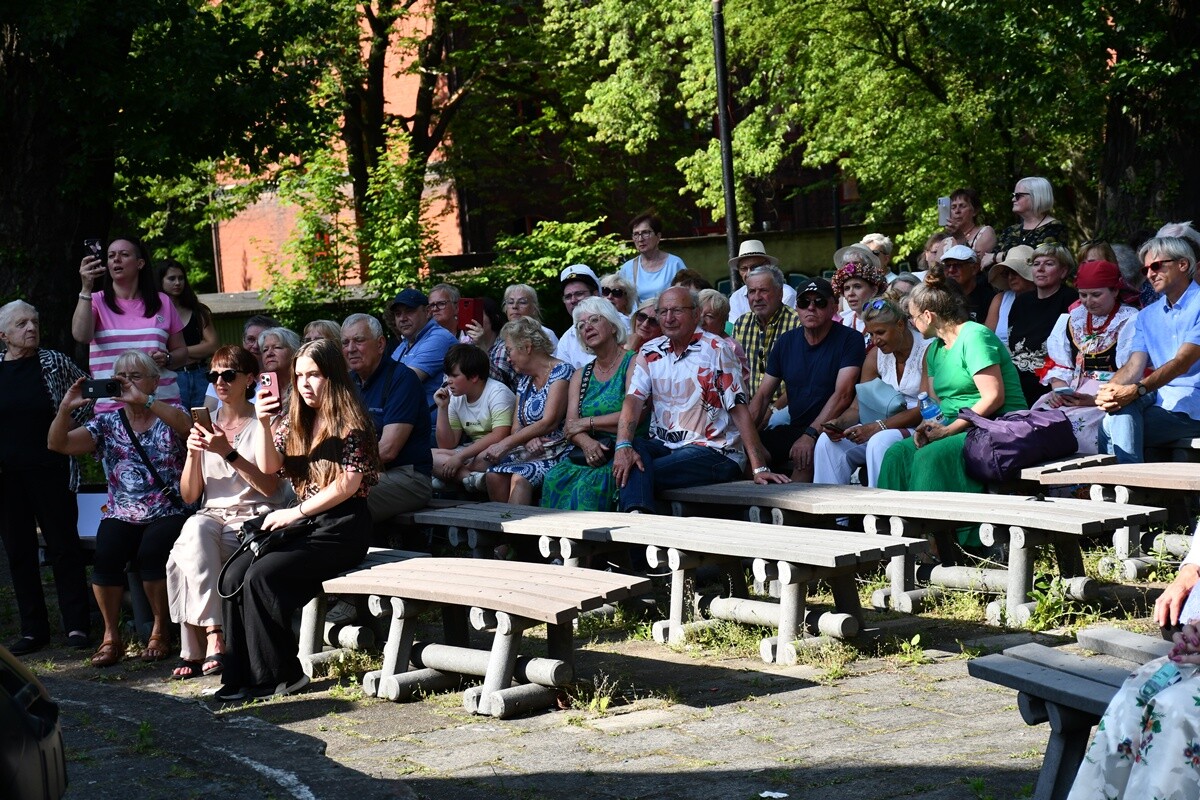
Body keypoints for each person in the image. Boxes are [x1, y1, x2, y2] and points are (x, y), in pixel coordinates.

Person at [212, 339, 380, 701]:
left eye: (314, 375)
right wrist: (263, 420)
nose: (305, 384)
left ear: (332, 376)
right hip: (306, 521)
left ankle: (283, 675)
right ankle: (241, 674)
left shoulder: (354, 423)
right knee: (234, 572)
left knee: (262, 576)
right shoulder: (294, 420)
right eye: (300, 375)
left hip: (343, 527)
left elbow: (348, 485)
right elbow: (269, 466)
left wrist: (295, 512)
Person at [48, 349, 193, 667]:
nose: (126, 382)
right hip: (122, 510)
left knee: (152, 553)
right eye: (121, 376)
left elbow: (188, 428)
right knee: (108, 553)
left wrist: (147, 401)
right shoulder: (107, 423)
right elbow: (58, 444)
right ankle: (111, 635)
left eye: (135, 375)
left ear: (154, 382)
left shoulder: (170, 413)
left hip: (167, 508)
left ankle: (160, 629)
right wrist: (65, 408)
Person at [877, 269, 1026, 549]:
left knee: (930, 457)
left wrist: (948, 430)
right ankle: (892, 541)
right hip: (955, 424)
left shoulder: (975, 335)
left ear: (928, 316)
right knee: (897, 453)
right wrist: (928, 426)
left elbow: (993, 397)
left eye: (911, 317)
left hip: (994, 424)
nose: (910, 322)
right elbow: (935, 403)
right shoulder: (935, 349)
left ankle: (940, 544)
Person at [166, 346, 288, 679]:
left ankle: (196, 645)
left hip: (253, 516)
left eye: (228, 374)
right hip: (211, 517)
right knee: (194, 529)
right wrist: (193, 454)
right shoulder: (206, 423)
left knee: (183, 552)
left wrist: (227, 451)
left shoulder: (267, 421)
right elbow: (190, 494)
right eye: (214, 375)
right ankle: (216, 634)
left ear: (250, 379)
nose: (220, 381)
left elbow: (270, 488)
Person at [613, 287, 788, 513]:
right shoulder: (650, 351)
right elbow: (633, 401)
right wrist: (623, 445)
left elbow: (739, 409)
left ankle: (637, 525)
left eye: (677, 310)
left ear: (696, 314)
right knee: (632, 449)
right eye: (663, 311)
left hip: (715, 452)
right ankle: (640, 520)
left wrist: (758, 466)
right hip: (667, 447)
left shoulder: (717, 349)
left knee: (638, 469)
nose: (668, 318)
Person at [0, 301, 91, 655]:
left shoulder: (53, 361)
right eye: (22, 323)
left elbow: (89, 399)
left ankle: (78, 627)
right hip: (8, 478)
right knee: (19, 553)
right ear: (3, 334)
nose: (31, 328)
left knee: (64, 549)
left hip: (51, 470)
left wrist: (70, 436)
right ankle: (33, 630)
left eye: (34, 321)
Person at [749, 278, 866, 481]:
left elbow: (843, 395)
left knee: (804, 455)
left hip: (830, 429)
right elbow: (763, 395)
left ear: (834, 307)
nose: (811, 308)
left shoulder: (850, 339)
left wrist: (810, 434)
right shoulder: (786, 342)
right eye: (804, 303)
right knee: (744, 454)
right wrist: (744, 437)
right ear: (797, 308)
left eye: (819, 302)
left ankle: (789, 511)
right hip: (795, 428)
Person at [1096, 236, 1200, 463]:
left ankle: (1126, 485)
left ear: (1183, 265)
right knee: (1114, 412)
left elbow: (1183, 362)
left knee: (1110, 426)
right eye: (1145, 269)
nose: (1150, 274)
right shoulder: (1146, 316)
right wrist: (1110, 390)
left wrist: (1137, 390)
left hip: (1194, 406)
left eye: (1156, 266)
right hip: (1161, 400)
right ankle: (1129, 485)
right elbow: (1134, 365)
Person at [813, 295, 931, 488]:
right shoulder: (876, 356)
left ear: (900, 325)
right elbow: (858, 406)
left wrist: (877, 427)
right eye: (871, 334)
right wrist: (839, 423)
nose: (875, 340)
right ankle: (832, 516)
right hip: (880, 425)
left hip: (917, 426)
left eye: (880, 333)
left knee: (879, 440)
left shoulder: (926, 350)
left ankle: (878, 511)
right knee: (827, 443)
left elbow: (923, 409)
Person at [1032, 260, 1137, 454]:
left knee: (1074, 427)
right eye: (1083, 295)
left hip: (1110, 392)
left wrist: (1095, 399)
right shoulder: (1072, 319)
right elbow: (1058, 364)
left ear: (1115, 291)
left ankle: (1083, 482)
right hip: (1074, 388)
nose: (1089, 301)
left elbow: (1133, 370)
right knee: (1039, 421)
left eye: (1096, 294)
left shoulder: (1130, 320)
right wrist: (1060, 391)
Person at [541, 299, 635, 511]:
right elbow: (570, 426)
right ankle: (550, 542)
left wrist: (587, 423)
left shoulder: (633, 362)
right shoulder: (580, 375)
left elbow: (632, 414)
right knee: (554, 478)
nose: (587, 327)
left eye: (594, 320)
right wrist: (586, 443)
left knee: (589, 486)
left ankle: (591, 543)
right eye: (581, 325)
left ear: (612, 326)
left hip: (622, 446)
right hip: (590, 451)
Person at [73, 236, 186, 413]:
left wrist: (167, 358)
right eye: (111, 256)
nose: (116, 259)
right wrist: (86, 288)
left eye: (124, 254)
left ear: (140, 263)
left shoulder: (162, 301)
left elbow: (182, 353)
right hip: (112, 409)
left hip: (161, 405)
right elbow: (81, 336)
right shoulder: (95, 300)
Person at [342, 313, 432, 533]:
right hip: (364, 473)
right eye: (345, 342)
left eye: (359, 340)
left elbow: (389, 450)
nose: (351, 348)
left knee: (340, 498)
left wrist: (342, 472)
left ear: (381, 344)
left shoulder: (402, 379)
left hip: (407, 476)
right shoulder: (349, 382)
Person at [480, 317, 574, 505]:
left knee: (519, 478)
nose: (507, 358)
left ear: (527, 346)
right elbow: (516, 427)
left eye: (509, 350)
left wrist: (505, 444)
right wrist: (528, 438)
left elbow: (549, 421)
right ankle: (501, 532)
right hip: (528, 451)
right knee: (493, 476)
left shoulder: (561, 371)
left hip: (557, 451)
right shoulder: (525, 380)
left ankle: (518, 532)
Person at [432, 343, 514, 493]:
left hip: (499, 450)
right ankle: (470, 479)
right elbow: (447, 444)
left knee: (484, 457)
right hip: (471, 452)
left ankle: (450, 476)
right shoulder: (455, 397)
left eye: (454, 376)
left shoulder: (497, 393)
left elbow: (500, 435)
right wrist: (442, 408)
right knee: (429, 456)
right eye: (448, 375)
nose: (448, 381)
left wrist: (460, 458)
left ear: (474, 376)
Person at [1007, 242, 1077, 406]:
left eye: (1049, 264)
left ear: (1063, 271)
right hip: (1016, 380)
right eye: (1036, 264)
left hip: (1051, 382)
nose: (1040, 269)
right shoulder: (1022, 301)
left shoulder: (1071, 300)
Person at [732, 264, 801, 411]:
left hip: (787, 408)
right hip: (748, 406)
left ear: (780, 293)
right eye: (751, 292)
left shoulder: (797, 323)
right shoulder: (741, 323)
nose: (757, 298)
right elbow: (736, 372)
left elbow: (803, 379)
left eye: (763, 291)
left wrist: (773, 410)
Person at [388, 288, 460, 424]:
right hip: (409, 421)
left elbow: (405, 381)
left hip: (434, 428)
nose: (402, 318)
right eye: (398, 314)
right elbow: (384, 379)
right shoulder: (405, 344)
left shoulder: (439, 338)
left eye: (409, 311)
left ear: (427, 312)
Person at [159, 260, 218, 409]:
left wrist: (175, 355)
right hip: (171, 377)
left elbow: (212, 346)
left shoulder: (198, 311)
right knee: (177, 426)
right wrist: (197, 349)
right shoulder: (153, 313)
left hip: (200, 374)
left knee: (204, 424)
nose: (178, 282)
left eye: (181, 278)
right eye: (171, 278)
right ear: (160, 281)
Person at [986, 177, 1069, 267]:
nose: (1013, 199)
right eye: (1013, 195)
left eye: (1018, 195)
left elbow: (1036, 259)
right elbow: (987, 262)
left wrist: (997, 257)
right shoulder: (1010, 230)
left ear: (1036, 196)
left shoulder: (1055, 228)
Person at [618, 211, 687, 304]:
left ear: (658, 236)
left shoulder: (675, 264)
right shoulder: (627, 268)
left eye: (645, 233)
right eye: (636, 234)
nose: (640, 239)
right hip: (639, 318)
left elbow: (687, 297)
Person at [727, 239, 796, 324]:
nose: (748, 273)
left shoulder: (787, 294)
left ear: (767, 265)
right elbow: (736, 330)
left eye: (754, 267)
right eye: (744, 268)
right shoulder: (736, 297)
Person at [554, 264, 607, 368]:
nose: (573, 300)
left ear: (595, 295)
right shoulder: (565, 341)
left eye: (579, 294)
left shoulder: (621, 322)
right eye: (568, 296)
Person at [831, 244, 889, 339]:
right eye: (846, 288)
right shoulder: (844, 320)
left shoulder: (886, 318)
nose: (851, 293)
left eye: (857, 287)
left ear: (874, 290)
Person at [983, 245, 1036, 347]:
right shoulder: (1000, 299)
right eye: (1007, 273)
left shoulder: (1043, 298)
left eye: (1015, 271)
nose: (1011, 277)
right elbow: (986, 336)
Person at [697, 288, 750, 384]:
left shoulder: (730, 347)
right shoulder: (691, 342)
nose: (701, 321)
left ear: (722, 322)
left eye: (709, 316)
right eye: (698, 314)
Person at [462, 297, 514, 390]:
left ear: (494, 318)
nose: (473, 321)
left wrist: (481, 344)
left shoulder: (504, 346)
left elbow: (499, 382)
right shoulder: (467, 344)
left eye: (478, 315)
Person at [940, 244, 995, 323]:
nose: (951, 270)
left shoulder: (989, 299)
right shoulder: (941, 297)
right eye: (947, 266)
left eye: (957, 265)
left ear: (974, 268)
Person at [946, 188, 997, 262]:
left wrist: (960, 239)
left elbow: (977, 266)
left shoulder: (985, 232)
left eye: (962, 206)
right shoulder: (946, 241)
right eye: (953, 207)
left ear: (975, 211)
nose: (957, 211)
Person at [502, 284, 559, 349]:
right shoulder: (503, 337)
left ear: (534, 308)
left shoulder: (546, 334)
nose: (515, 306)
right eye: (510, 302)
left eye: (522, 302)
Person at [258, 327, 301, 397]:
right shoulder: (258, 390)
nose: (269, 353)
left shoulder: (304, 386)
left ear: (294, 351)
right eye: (265, 350)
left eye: (277, 347)